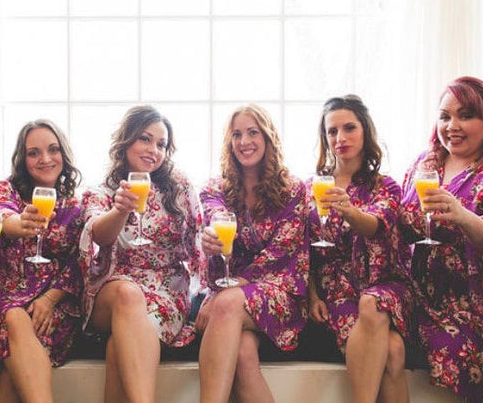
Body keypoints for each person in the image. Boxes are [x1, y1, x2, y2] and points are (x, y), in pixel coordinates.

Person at [79, 105, 204, 403]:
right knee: (128, 294)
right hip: (112, 289)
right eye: (145, 139)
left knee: (117, 348)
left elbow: (198, 243)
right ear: (127, 139)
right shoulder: (104, 189)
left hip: (166, 292)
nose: (153, 150)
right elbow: (98, 235)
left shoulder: (179, 186)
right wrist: (120, 210)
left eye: (161, 144)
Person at [0, 120, 83, 402]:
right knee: (15, 317)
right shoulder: (5, 191)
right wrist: (21, 222)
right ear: (22, 158)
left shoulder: (78, 204)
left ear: (63, 153)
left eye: (53, 149)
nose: (45, 159)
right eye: (33, 152)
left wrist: (49, 300)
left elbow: (80, 263)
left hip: (51, 304)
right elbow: (3, 216)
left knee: (13, 374)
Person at [399, 77, 483, 401]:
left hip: (481, 299)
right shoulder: (424, 163)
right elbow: (399, 224)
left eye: (465, 115)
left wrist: (462, 215)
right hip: (423, 297)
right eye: (445, 116)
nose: (452, 126)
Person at [197, 104, 308, 403]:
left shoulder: (293, 189)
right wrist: (211, 239)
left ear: (268, 136)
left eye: (252, 132)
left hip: (279, 291)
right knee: (243, 353)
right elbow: (216, 217)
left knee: (227, 304)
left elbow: (282, 253)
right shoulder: (215, 188)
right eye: (236, 134)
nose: (244, 141)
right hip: (234, 297)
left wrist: (221, 296)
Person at [306, 95, 414, 403]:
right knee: (393, 351)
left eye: (349, 128)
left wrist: (348, 210)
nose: (340, 138)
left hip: (385, 282)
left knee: (371, 302)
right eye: (332, 131)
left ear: (365, 130)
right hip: (337, 291)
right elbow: (302, 250)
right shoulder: (310, 187)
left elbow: (374, 225)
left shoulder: (386, 186)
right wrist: (312, 295)